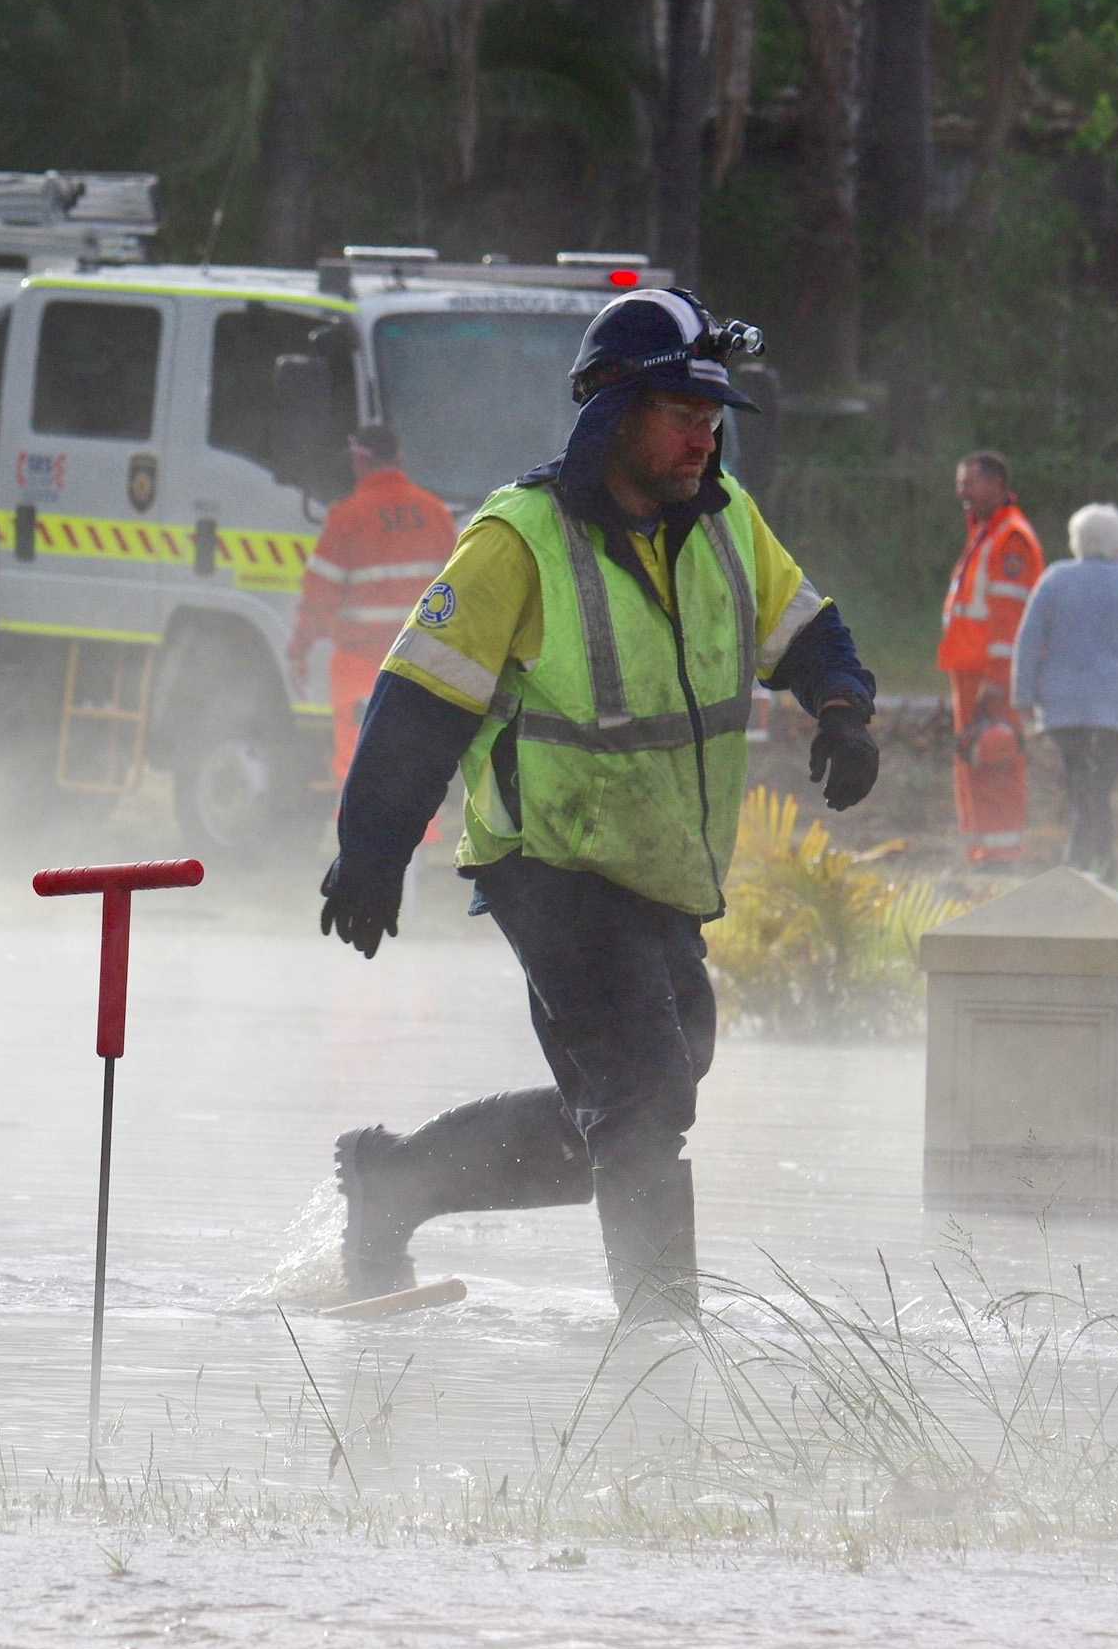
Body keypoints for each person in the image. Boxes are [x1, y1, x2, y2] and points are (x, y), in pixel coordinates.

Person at [314, 288, 879, 1321]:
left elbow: (807, 630)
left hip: (658, 869)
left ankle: (393, 1182)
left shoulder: (723, 524)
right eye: (679, 415)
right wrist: (370, 852)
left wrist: (840, 708)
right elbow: (417, 703)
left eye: (712, 420)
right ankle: (661, 1345)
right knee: (641, 1103)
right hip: (551, 866)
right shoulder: (515, 539)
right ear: (607, 413)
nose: (701, 439)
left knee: (639, 1099)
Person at [288, 425, 460, 780]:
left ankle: (357, 836)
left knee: (360, 766)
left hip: (360, 666)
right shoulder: (436, 513)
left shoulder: (348, 516)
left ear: (360, 460)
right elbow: (460, 590)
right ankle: (420, 837)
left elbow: (320, 595)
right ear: (399, 459)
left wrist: (299, 649)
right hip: (422, 666)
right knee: (415, 765)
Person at [1011, 502, 1118, 879]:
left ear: (1077, 541)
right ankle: (1096, 869)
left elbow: (1029, 641)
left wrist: (1023, 696)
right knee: (1097, 786)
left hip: (1063, 708)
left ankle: (1082, 867)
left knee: (1086, 785)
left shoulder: (1054, 579)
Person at [938, 450, 1042, 867]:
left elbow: (1011, 619)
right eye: (960, 481)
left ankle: (1004, 852)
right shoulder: (985, 533)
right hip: (969, 669)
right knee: (975, 757)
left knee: (997, 755)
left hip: (990, 674)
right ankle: (984, 850)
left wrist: (998, 680)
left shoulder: (1009, 538)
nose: (961, 490)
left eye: (971, 481)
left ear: (998, 486)